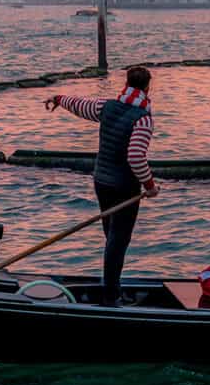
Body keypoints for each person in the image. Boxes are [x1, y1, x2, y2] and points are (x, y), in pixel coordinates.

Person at [45, 66, 160, 304]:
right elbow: (136, 156)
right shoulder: (143, 118)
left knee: (112, 237)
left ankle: (112, 286)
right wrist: (150, 185)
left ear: (127, 83)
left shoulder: (107, 106)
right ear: (148, 87)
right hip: (124, 187)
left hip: (102, 181)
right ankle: (111, 295)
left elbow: (79, 105)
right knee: (118, 240)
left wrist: (58, 99)